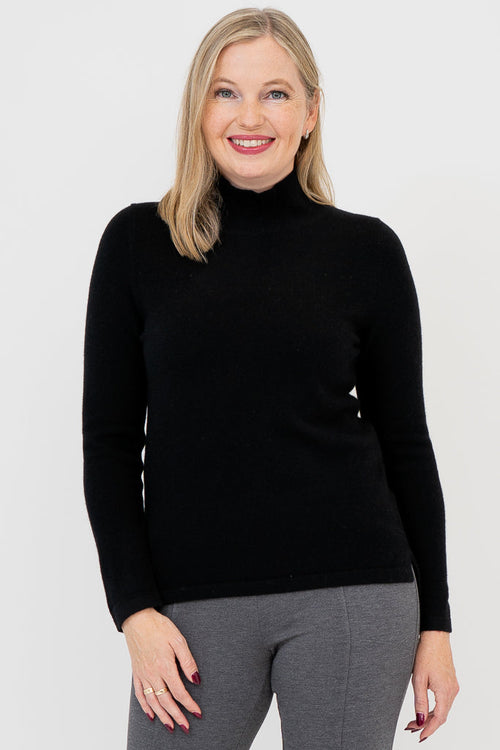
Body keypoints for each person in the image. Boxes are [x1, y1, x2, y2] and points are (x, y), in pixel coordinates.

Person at [82, 7, 459, 749]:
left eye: (276, 94)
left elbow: (407, 446)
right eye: (226, 92)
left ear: (310, 112)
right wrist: (134, 611)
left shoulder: (367, 252)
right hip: (190, 610)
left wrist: (437, 627)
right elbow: (111, 444)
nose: (249, 116)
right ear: (198, 108)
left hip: (353, 596)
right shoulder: (137, 244)